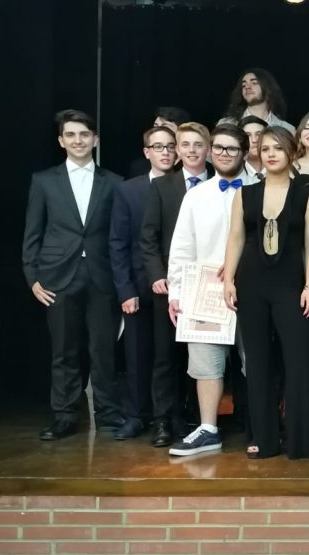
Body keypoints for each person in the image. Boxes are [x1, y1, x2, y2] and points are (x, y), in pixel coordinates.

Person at [22, 109, 125, 441]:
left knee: (103, 350)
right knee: (64, 351)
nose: (77, 140)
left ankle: (107, 414)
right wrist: (32, 278)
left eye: (84, 135)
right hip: (57, 277)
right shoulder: (44, 180)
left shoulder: (115, 182)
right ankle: (65, 416)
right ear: (61, 141)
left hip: (102, 275)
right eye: (70, 135)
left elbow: (119, 235)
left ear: (95, 140)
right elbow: (32, 234)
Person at [223, 126, 309, 459]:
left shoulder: (306, 193)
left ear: (292, 152)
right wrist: (228, 280)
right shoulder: (246, 193)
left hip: (292, 285)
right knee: (258, 362)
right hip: (251, 283)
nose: (270, 154)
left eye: (278, 148)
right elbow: (236, 238)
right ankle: (264, 439)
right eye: (265, 148)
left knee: (298, 360)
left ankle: (300, 440)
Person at [166, 123, 257, 456]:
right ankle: (208, 429)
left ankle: (260, 427)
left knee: (256, 360)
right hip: (205, 290)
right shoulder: (196, 195)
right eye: (218, 147)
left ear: (244, 152)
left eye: (231, 148)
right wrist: (177, 293)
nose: (223, 153)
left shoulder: (260, 189)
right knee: (205, 363)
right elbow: (182, 247)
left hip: (251, 289)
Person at [139, 121, 211, 447]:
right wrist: (157, 275)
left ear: (208, 148)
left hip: (211, 284)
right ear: (177, 150)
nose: (192, 150)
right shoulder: (161, 186)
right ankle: (164, 421)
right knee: (166, 356)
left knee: (203, 355)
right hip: (171, 285)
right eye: (186, 144)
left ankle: (197, 418)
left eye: (198, 144)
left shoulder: (221, 182)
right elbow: (148, 237)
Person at [109, 125, 177, 440]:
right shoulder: (128, 190)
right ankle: (136, 415)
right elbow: (118, 243)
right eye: (158, 147)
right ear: (147, 152)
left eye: (170, 146)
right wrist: (125, 290)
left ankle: (173, 416)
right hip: (138, 286)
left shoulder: (186, 186)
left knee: (171, 356)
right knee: (137, 355)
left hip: (175, 286)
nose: (165, 152)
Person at [218, 68, 295, 132]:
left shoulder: (287, 129)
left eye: (254, 83)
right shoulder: (226, 125)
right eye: (243, 85)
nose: (247, 87)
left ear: (268, 88)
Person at [128, 107, 191, 176]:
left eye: (165, 127)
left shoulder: (193, 165)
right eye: (156, 126)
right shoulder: (139, 167)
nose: (158, 131)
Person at [240, 116, 268, 180]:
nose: (254, 140)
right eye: (248, 135)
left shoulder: (283, 172)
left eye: (259, 134)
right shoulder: (233, 173)